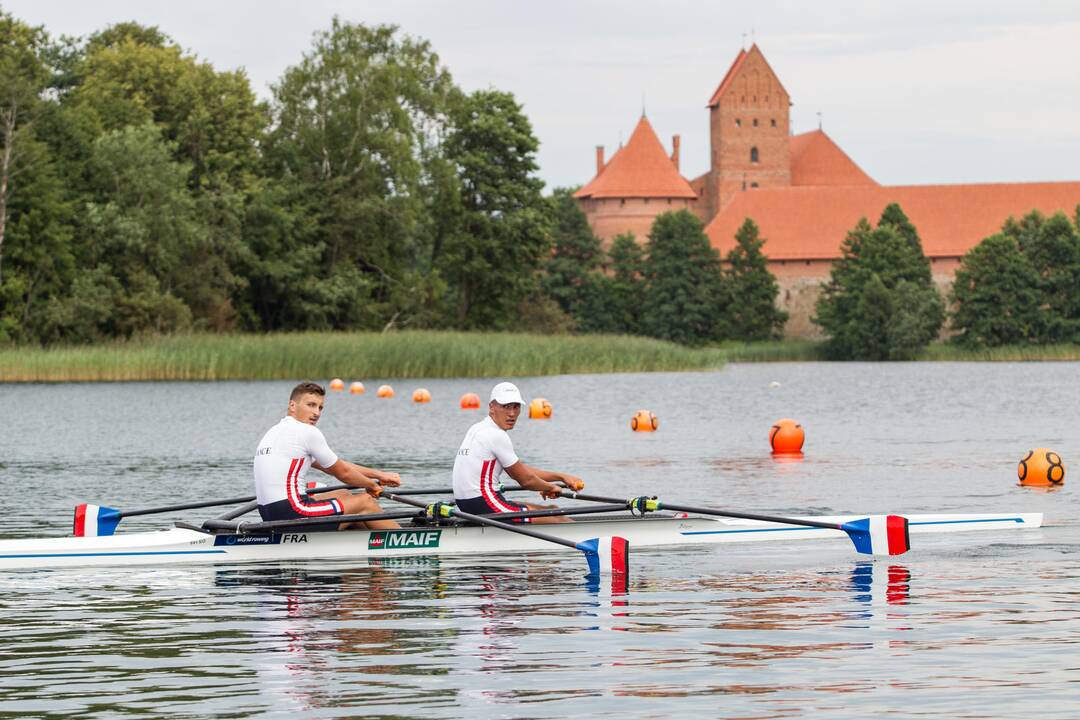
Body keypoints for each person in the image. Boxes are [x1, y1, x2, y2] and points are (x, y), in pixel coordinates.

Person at [254, 381, 402, 531]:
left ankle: (364, 540)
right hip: (293, 512)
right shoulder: (307, 431)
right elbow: (343, 473)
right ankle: (403, 540)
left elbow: (336, 466)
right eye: (311, 405)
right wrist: (372, 486)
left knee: (343, 494)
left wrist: (379, 475)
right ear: (292, 405)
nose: (317, 413)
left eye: (320, 407)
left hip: (268, 513)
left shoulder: (273, 431)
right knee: (366, 501)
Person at [452, 381, 585, 524]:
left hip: (468, 504)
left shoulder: (477, 428)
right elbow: (526, 481)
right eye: (506, 407)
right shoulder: (496, 435)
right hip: (485, 504)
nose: (512, 414)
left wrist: (561, 477)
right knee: (557, 519)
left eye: (516, 407)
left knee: (552, 508)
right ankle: (586, 538)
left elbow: (521, 470)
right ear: (492, 407)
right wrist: (551, 487)